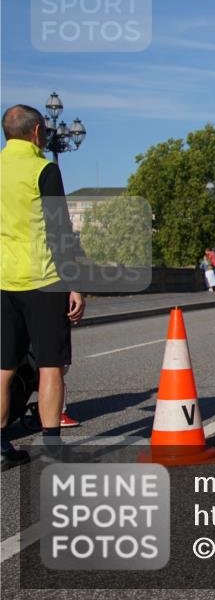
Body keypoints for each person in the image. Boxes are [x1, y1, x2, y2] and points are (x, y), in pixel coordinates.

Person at [1, 104, 86, 470]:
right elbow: (59, 230)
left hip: (4, 281)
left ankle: (2, 448)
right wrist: (75, 284)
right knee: (51, 365)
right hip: (44, 279)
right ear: (37, 132)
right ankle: (52, 449)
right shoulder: (44, 169)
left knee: (3, 368)